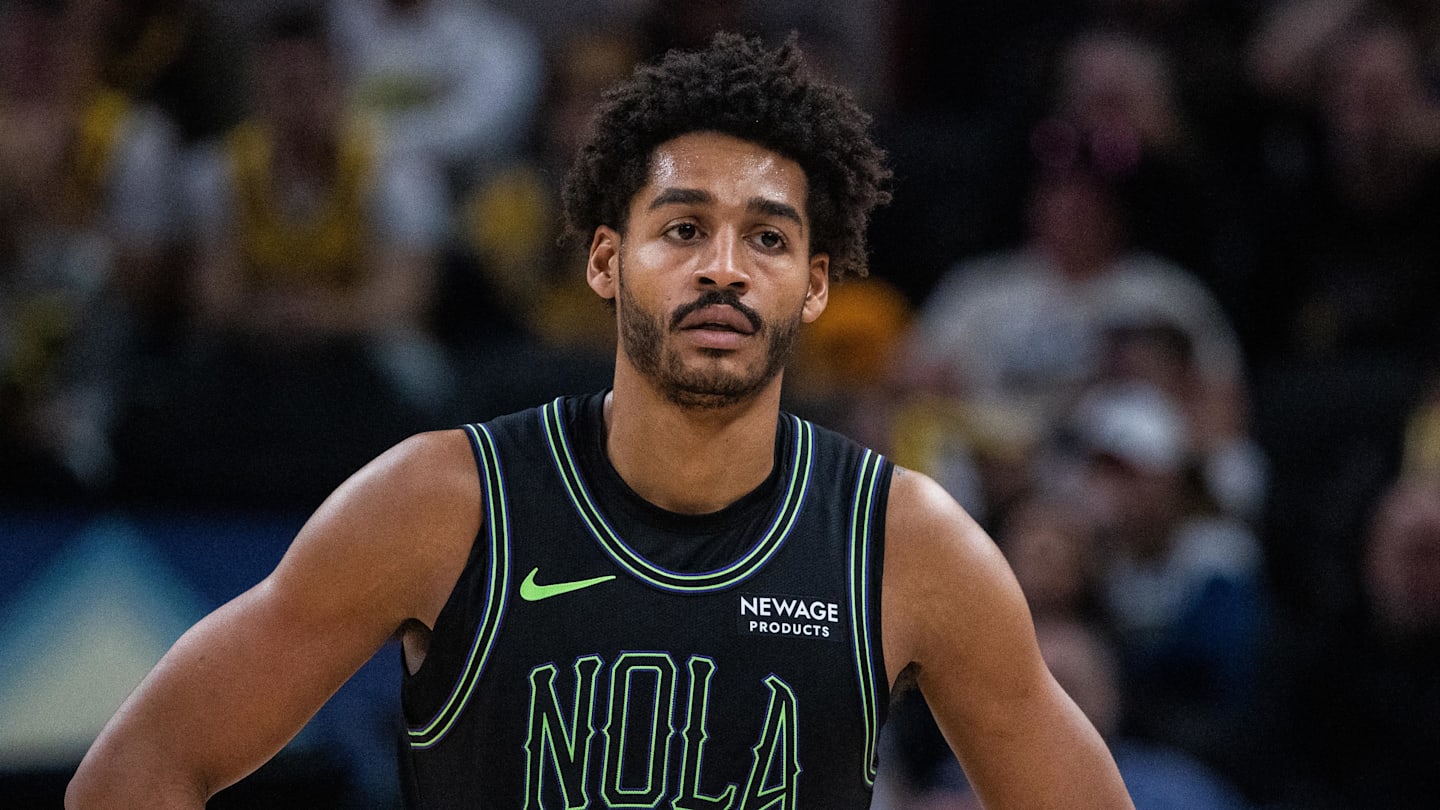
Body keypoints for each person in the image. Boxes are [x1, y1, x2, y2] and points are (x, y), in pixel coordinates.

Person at [66, 34, 1133, 809]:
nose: (724, 267)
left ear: (815, 285)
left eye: (768, 238)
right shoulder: (441, 503)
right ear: (607, 261)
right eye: (684, 228)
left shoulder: (906, 545)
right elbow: (139, 771)